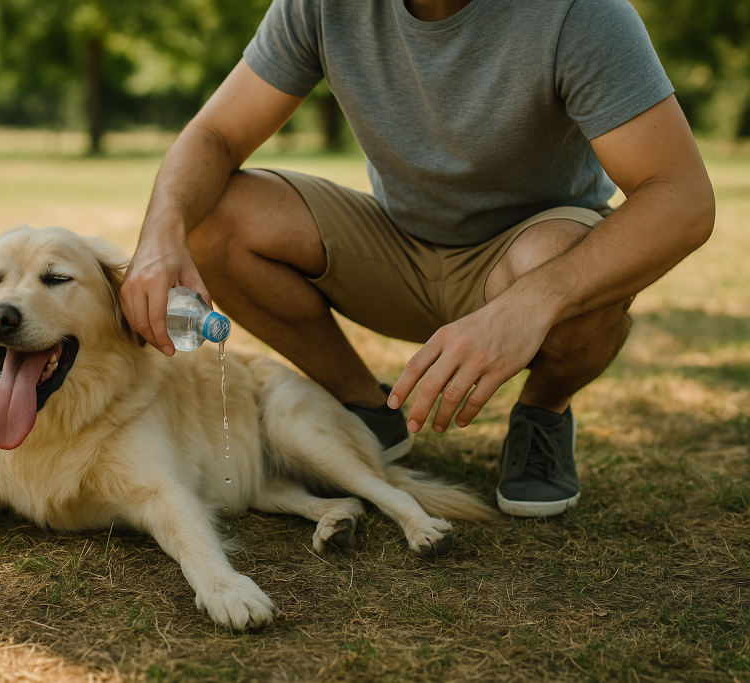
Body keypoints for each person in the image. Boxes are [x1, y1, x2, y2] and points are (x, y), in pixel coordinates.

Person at [120, 0, 715, 517]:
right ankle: (367, 408)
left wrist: (532, 305)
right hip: (395, 245)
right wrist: (159, 235)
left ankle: (542, 413)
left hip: (527, 259)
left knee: (567, 265)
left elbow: (682, 197)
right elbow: (214, 135)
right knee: (213, 216)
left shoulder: (579, 15)